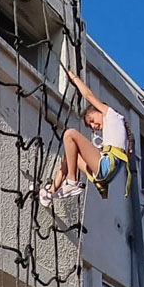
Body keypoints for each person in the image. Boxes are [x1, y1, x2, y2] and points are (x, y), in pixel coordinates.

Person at [40, 69, 131, 207]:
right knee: (69, 155)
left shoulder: (110, 114)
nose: (94, 126)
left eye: (92, 121)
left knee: (70, 134)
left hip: (107, 166)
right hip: (105, 172)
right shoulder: (115, 128)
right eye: (91, 126)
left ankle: (72, 182)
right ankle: (51, 192)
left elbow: (88, 95)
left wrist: (74, 78)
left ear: (100, 110)